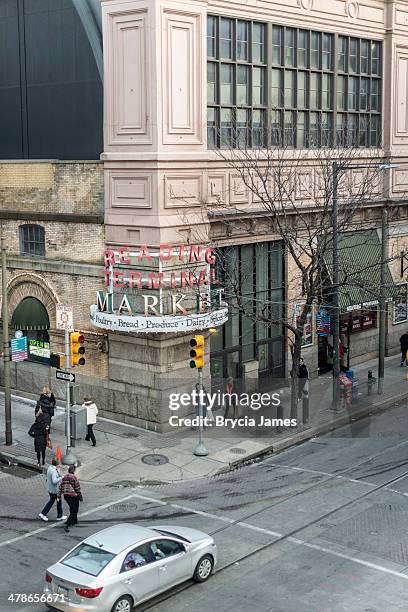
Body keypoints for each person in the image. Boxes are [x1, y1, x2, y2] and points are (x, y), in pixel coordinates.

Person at [58, 465, 82, 533]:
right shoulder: (73, 477)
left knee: (72, 507)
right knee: (74, 510)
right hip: (73, 495)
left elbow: (60, 486)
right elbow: (77, 487)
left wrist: (59, 495)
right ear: (73, 470)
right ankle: (68, 524)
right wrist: (80, 496)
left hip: (66, 495)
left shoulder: (65, 477)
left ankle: (74, 520)